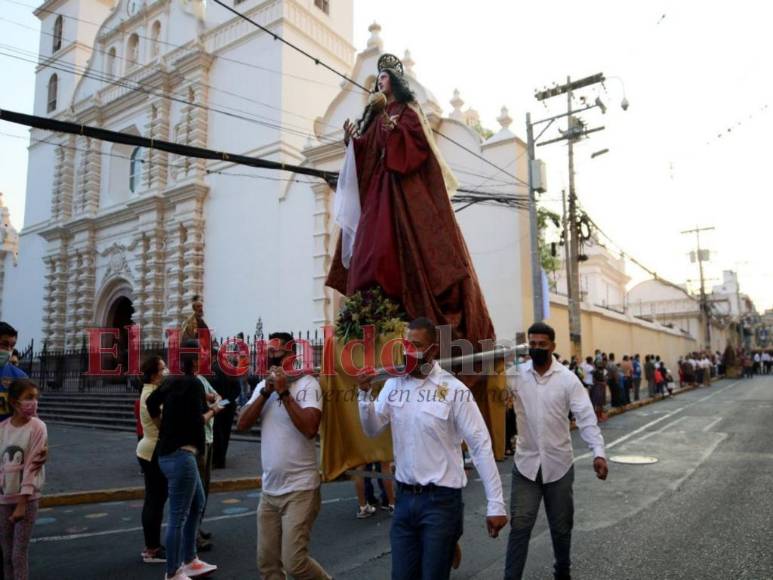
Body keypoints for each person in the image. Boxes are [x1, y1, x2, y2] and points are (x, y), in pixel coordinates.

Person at [326, 54, 494, 349]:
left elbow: (418, 150)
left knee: (400, 250)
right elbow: (367, 151)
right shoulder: (376, 117)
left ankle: (401, 309)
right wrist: (353, 140)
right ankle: (374, 309)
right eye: (378, 77)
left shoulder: (408, 113)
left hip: (402, 193)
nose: (380, 80)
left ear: (396, 82)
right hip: (378, 192)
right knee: (369, 251)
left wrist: (397, 132)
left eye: (385, 76)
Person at [358, 318, 507, 579]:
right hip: (404, 501)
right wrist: (363, 395)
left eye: (416, 345)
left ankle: (445, 544)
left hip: (440, 502)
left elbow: (480, 445)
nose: (408, 351)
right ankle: (445, 546)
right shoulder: (394, 385)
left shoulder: (453, 390)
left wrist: (496, 504)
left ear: (433, 350)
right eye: (406, 344)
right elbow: (372, 428)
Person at [504, 323, 608, 580]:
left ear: (552, 346)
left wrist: (598, 452)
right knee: (519, 526)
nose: (536, 348)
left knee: (561, 528)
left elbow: (585, 417)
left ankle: (562, 572)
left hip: (558, 466)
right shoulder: (514, 376)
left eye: (542, 344)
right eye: (533, 344)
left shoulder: (568, 380)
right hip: (526, 466)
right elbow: (486, 389)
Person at [237, 332, 331, 580]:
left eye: (276, 351)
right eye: (268, 351)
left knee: (295, 563)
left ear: (291, 354)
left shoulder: (308, 384)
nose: (270, 356)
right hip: (269, 492)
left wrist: (284, 393)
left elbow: (310, 428)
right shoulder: (261, 386)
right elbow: (242, 423)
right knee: (267, 565)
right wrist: (267, 392)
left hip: (300, 489)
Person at [146, 344, 220, 580]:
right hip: (182, 456)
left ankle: (190, 559)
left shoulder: (171, 382)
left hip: (169, 453)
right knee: (178, 515)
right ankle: (173, 570)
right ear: (195, 362)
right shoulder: (194, 383)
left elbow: (150, 404)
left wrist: (162, 426)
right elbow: (198, 420)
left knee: (197, 503)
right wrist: (214, 410)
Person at [0, 379, 47, 580]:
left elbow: (32, 466)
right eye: (28, 398)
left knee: (18, 555)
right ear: (13, 401)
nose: (33, 403)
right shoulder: (2, 428)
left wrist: (22, 502)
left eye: (35, 398)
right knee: (6, 555)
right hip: (4, 499)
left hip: (26, 499)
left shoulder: (37, 427)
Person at [136, 355, 169, 565]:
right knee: (155, 501)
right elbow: (164, 425)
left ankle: (152, 545)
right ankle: (152, 549)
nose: (166, 371)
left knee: (153, 500)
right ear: (154, 373)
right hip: (153, 450)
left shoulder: (149, 392)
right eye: (163, 368)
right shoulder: (152, 396)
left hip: (147, 449)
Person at [0, 323, 28, 423]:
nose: (8, 350)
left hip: (8, 436)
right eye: (4, 344)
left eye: (12, 346)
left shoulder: (20, 377)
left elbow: (26, 415)